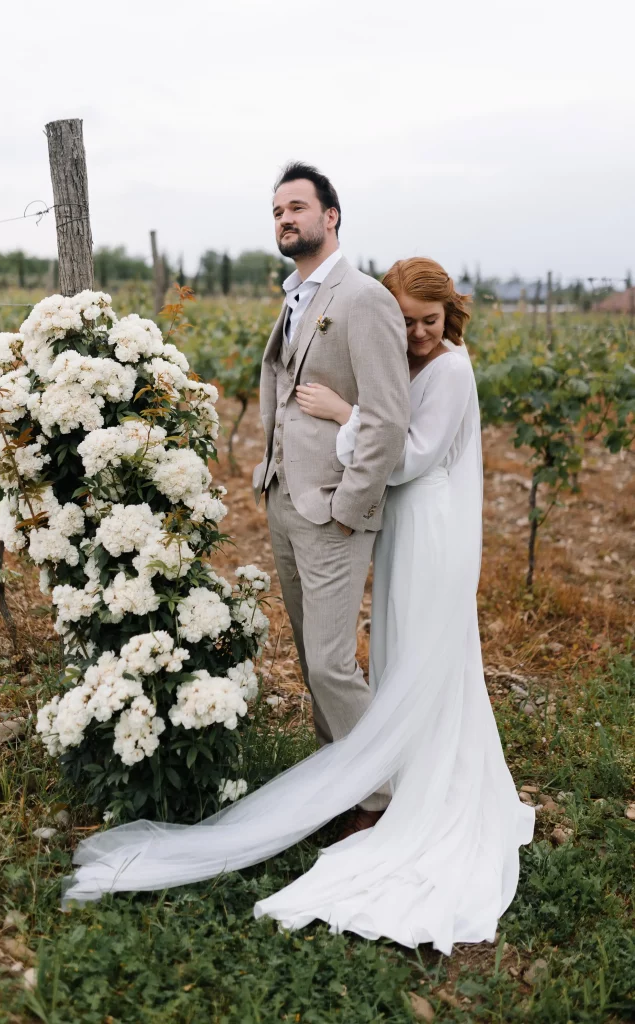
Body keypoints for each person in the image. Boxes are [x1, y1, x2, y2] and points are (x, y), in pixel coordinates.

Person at [63, 251, 534, 956]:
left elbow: (409, 456)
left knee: (424, 648)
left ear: (451, 315)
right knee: (403, 651)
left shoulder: (451, 368)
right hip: (402, 522)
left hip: (430, 526)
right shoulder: (409, 361)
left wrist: (348, 413)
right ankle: (395, 763)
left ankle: (399, 785)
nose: (415, 335)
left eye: (428, 322)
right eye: (405, 322)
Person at [252, 162, 411, 832]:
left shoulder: (363, 298)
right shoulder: (294, 295)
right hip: (286, 502)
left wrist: (350, 506)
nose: (285, 219)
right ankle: (338, 778)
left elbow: (386, 416)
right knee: (309, 656)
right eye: (277, 212)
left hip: (334, 513)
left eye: (297, 208)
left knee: (330, 663)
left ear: (330, 216)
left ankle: (382, 799)